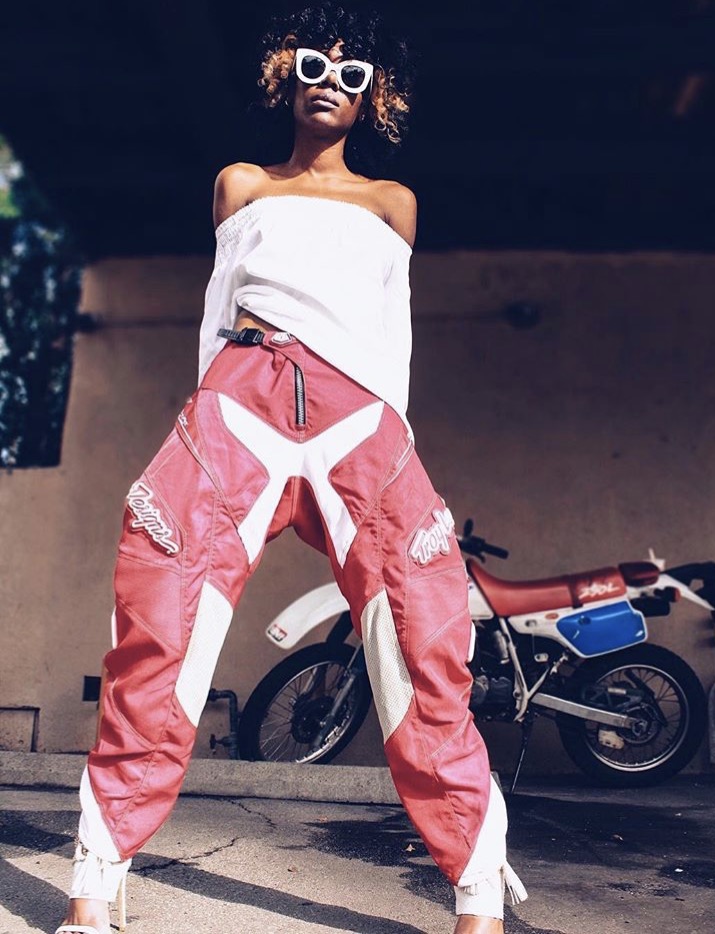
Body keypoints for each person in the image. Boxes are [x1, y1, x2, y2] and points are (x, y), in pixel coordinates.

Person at [56, 4, 527, 933]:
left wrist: (393, 439)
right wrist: (210, 407)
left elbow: (391, 335)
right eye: (315, 63)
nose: (330, 83)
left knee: (425, 636)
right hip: (243, 395)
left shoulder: (393, 202)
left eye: (353, 75)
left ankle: (478, 895)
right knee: (158, 618)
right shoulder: (241, 184)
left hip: (362, 418)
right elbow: (216, 307)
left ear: (373, 97)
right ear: (285, 71)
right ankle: (93, 886)